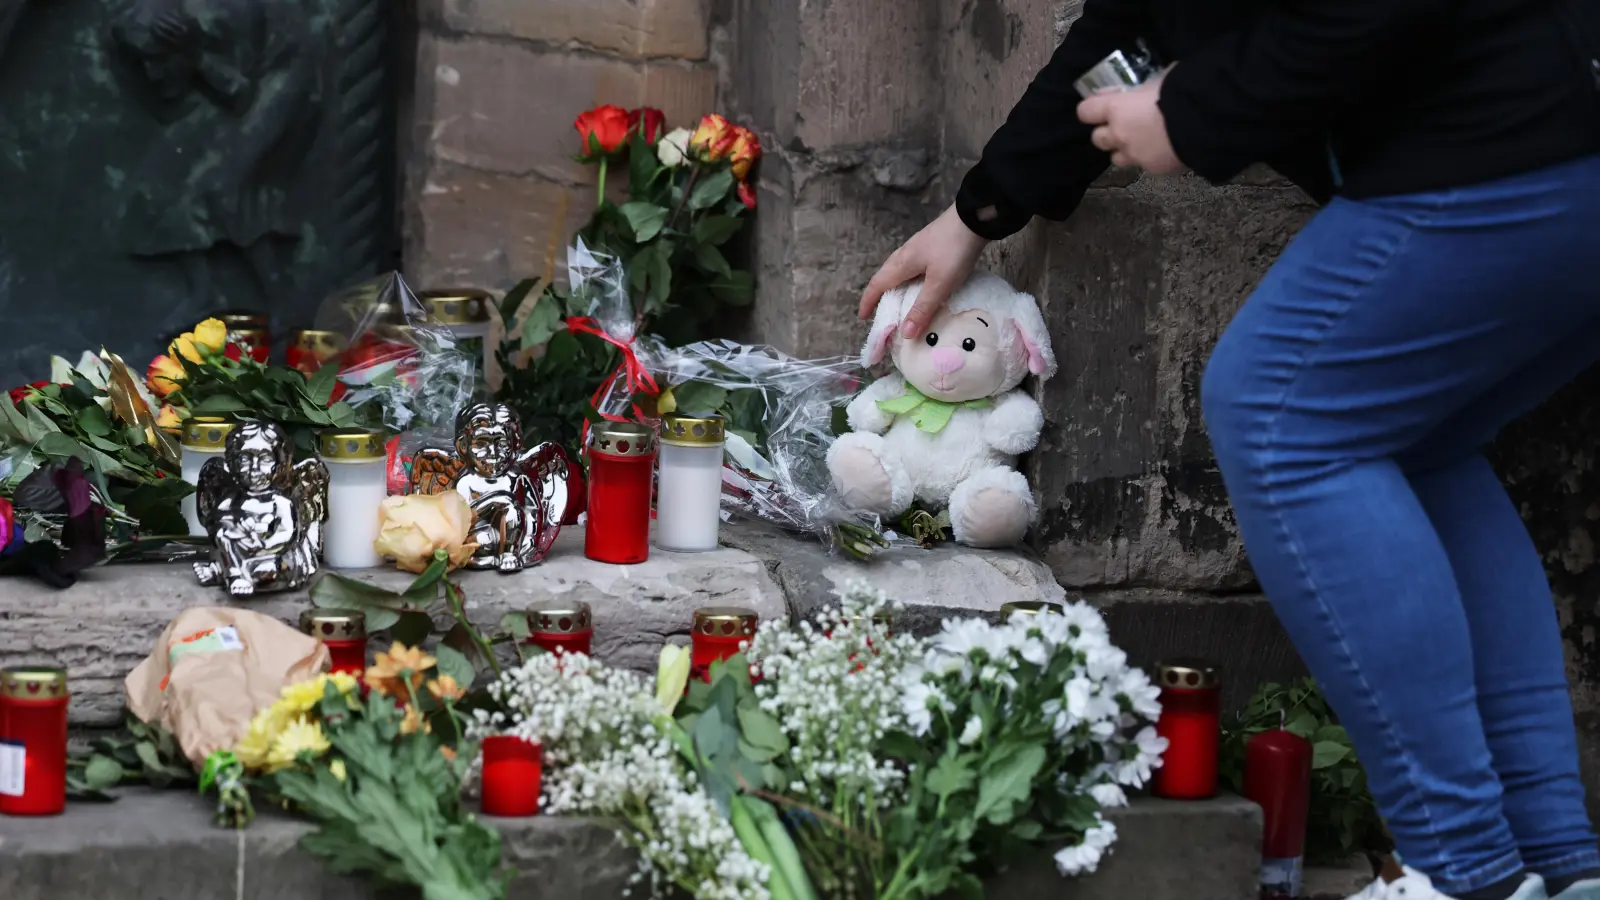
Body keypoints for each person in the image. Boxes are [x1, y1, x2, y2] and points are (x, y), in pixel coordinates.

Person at [858, 2, 1600, 899]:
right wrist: (979, 208)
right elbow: (1129, 28)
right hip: (1557, 148)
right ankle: (1553, 862)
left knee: (1280, 413)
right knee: (1425, 445)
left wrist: (1192, 109)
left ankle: (1462, 865)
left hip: (1514, 141)